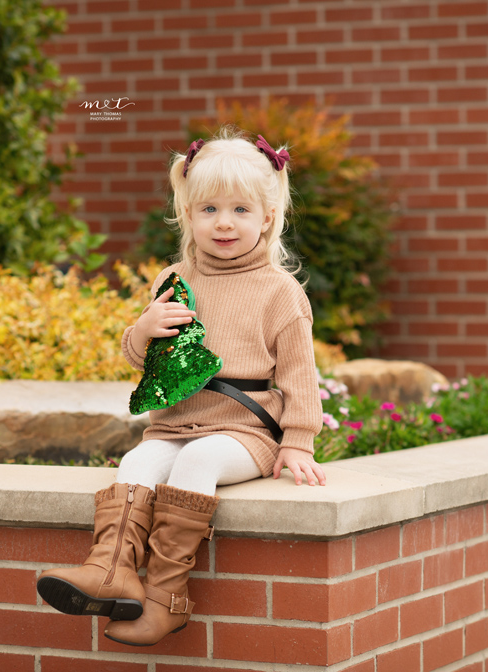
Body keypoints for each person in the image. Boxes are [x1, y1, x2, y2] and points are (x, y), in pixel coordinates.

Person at [36, 126, 326, 647]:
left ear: (267, 217)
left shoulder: (279, 292)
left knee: (199, 461)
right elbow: (148, 359)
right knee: (135, 463)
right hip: (174, 425)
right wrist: (140, 332)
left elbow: (299, 374)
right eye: (209, 209)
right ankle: (111, 570)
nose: (224, 223)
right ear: (187, 214)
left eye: (241, 210)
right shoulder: (174, 279)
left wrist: (299, 439)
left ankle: (166, 598)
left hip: (245, 433)